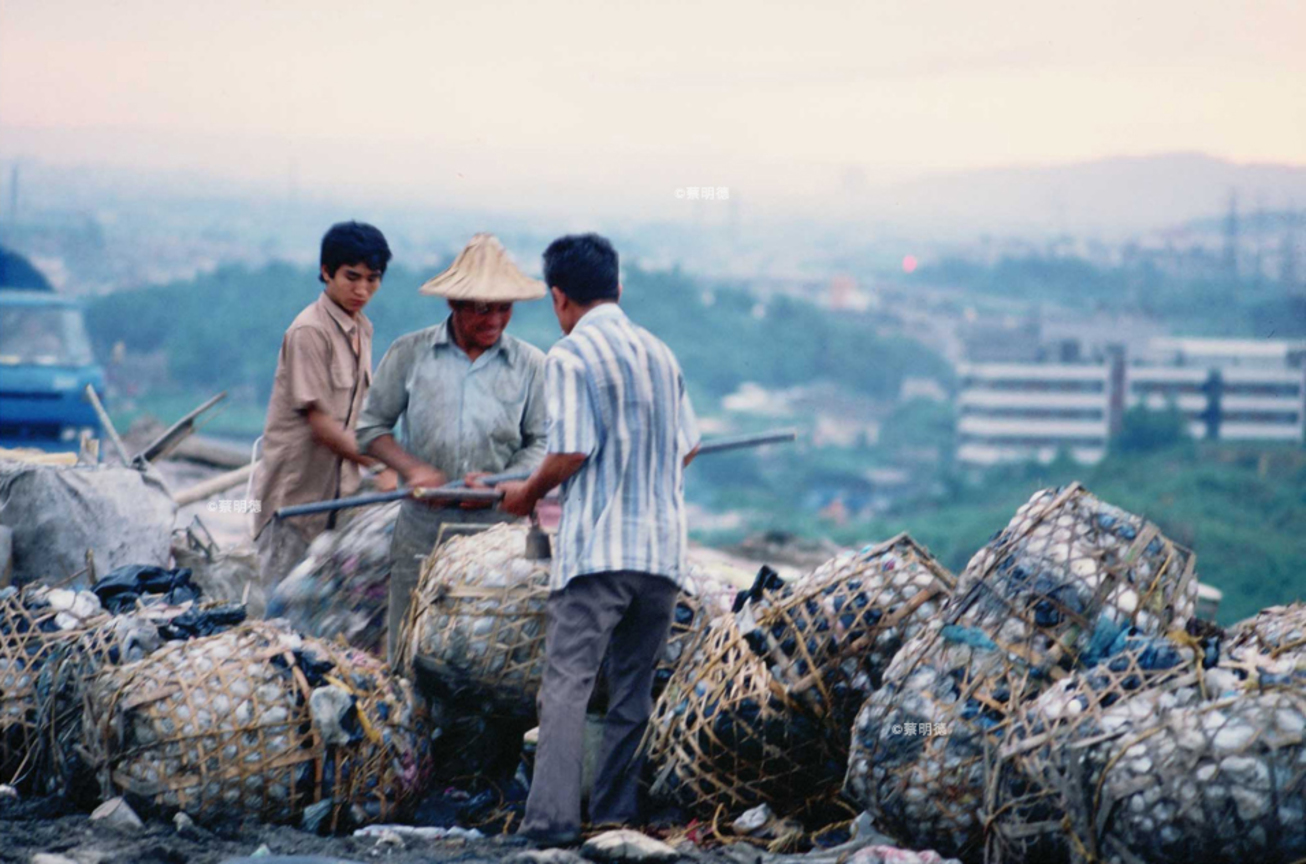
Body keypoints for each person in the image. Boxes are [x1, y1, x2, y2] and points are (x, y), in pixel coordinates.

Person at [499, 233, 701, 844]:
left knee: (566, 685)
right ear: (617, 287)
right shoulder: (661, 353)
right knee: (632, 691)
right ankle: (616, 816)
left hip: (598, 555)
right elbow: (688, 446)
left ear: (559, 297)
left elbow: (572, 449)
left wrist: (526, 495)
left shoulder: (571, 355)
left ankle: (552, 823)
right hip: (663, 554)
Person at [356, 233, 549, 660]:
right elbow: (371, 429)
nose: (495, 320)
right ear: (454, 305)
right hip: (425, 526)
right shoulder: (410, 354)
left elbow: (542, 443)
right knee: (413, 650)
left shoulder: (532, 365)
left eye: (504, 308)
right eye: (482, 308)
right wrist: (413, 469)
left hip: (498, 533)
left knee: (490, 656)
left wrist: (502, 482)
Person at [251, 221, 394, 613]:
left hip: (339, 502)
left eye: (372, 279)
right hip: (295, 503)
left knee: (326, 617)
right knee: (279, 617)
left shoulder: (362, 329)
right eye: (351, 277)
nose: (362, 290)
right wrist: (380, 465)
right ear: (326, 272)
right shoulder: (309, 332)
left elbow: (364, 415)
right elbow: (322, 423)